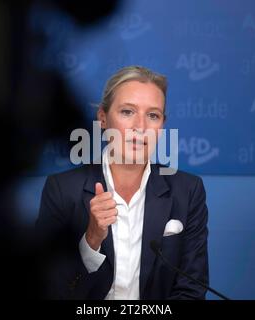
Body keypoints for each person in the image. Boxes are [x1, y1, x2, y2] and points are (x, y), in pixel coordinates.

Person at [36, 65, 209, 299]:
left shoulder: (188, 191)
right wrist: (92, 240)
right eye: (127, 112)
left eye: (153, 115)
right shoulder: (61, 189)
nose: (140, 127)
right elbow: (51, 289)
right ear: (103, 118)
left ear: (161, 127)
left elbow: (192, 289)